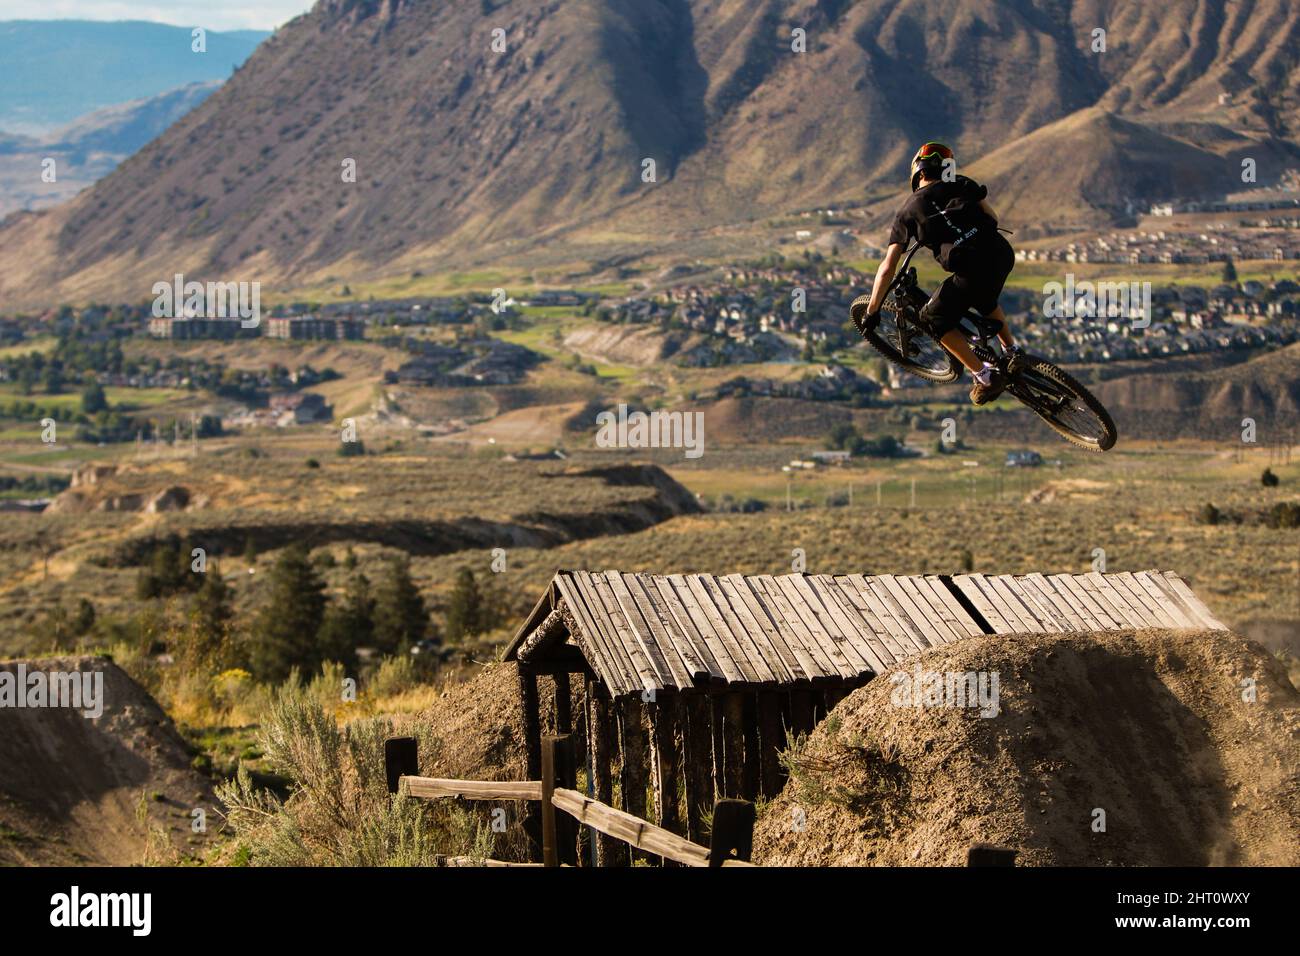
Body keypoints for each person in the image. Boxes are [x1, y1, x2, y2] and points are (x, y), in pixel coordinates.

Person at [858, 142, 1024, 404]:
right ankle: (1013, 351)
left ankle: (984, 377)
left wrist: (872, 311)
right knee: (984, 298)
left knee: (933, 319)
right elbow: (992, 218)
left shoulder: (907, 212)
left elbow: (888, 267)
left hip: (970, 269)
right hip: (1001, 253)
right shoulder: (962, 183)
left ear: (918, 172)